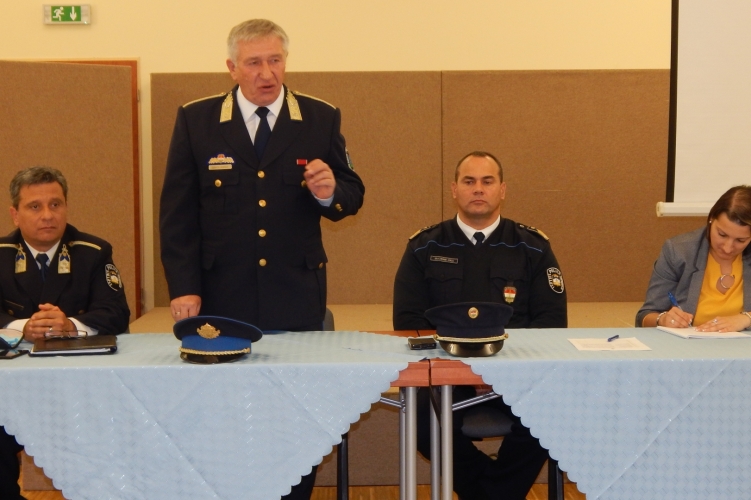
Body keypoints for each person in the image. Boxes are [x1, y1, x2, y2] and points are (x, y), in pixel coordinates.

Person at [159, 19, 364, 499]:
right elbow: (177, 214)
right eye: (254, 63)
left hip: (296, 295)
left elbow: (351, 193)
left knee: (297, 416)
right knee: (224, 412)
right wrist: (184, 287)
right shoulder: (196, 119)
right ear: (232, 68)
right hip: (221, 295)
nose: (267, 73)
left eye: (275, 60)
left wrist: (329, 192)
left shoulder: (319, 117)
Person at [393, 151, 567, 499]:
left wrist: (498, 372)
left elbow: (551, 323)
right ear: (454, 189)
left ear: (502, 190)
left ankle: (487, 494)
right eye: (469, 181)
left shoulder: (532, 247)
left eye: (487, 181)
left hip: (517, 374)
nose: (478, 189)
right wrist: (464, 373)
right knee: (423, 425)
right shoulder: (424, 246)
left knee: (552, 418)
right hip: (446, 374)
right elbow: (409, 324)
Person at [0, 166, 130, 500]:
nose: (47, 215)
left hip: (82, 387)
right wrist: (22, 328)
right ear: (15, 214)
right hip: (13, 388)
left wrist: (70, 325)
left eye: (55, 204)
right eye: (35, 206)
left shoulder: (93, 252)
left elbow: (117, 313)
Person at [636, 185, 751, 332]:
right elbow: (644, 316)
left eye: (741, 240)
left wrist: (746, 318)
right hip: (688, 343)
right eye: (722, 235)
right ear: (711, 219)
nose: (728, 248)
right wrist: (662, 319)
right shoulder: (679, 251)